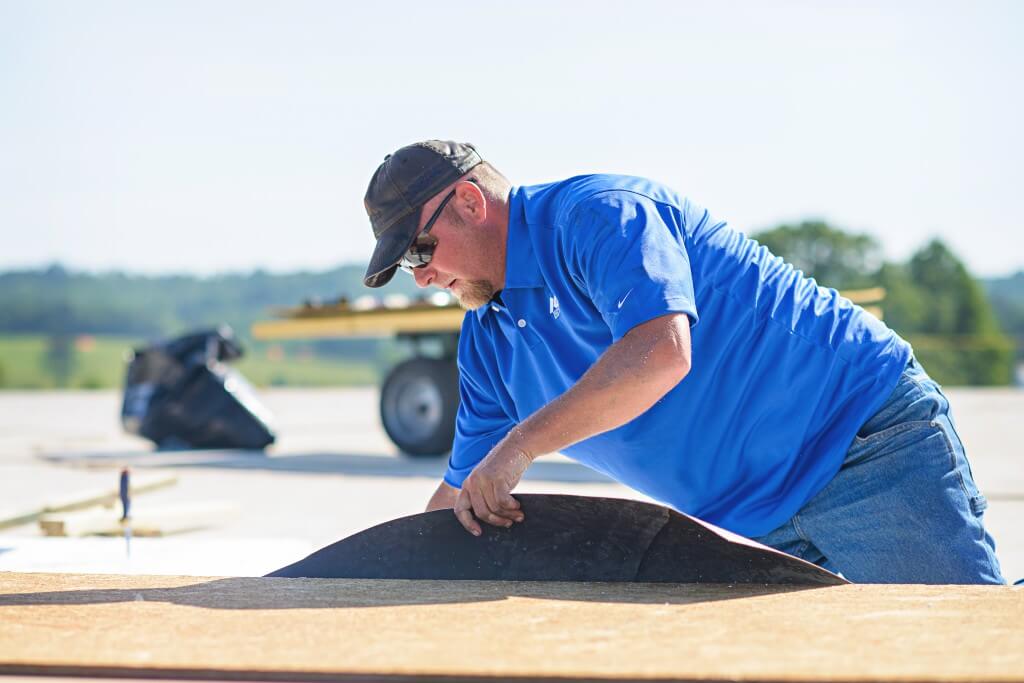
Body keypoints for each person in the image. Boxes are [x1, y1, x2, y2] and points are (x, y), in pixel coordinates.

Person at [361, 140, 1005, 584]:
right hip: (757, 524)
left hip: (862, 449)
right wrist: (375, 591)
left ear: (471, 202)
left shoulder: (598, 215)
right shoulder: (488, 342)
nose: (421, 278)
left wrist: (522, 445)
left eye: (419, 252)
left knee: (975, 655)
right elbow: (459, 499)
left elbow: (660, 353)